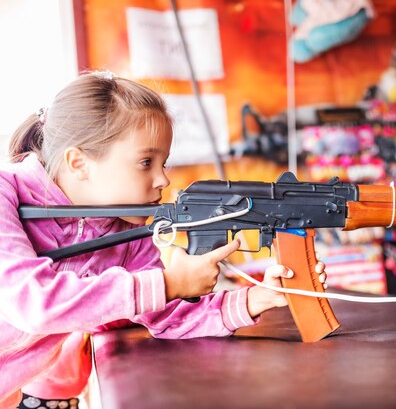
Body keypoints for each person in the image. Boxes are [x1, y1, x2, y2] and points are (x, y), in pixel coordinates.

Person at [0, 71, 327, 409]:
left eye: (163, 163)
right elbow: (32, 303)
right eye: (146, 162)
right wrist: (169, 282)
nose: (163, 179)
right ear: (79, 162)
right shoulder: (4, 192)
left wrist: (257, 299)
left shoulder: (128, 229)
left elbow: (169, 315)